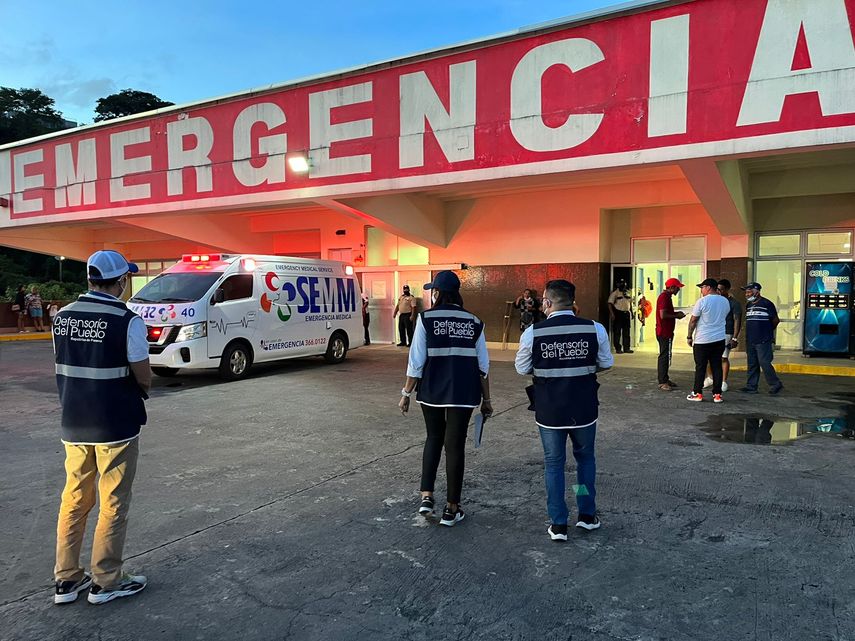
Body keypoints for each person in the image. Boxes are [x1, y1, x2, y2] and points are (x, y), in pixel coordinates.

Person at [52, 250, 151, 605]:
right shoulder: (127, 320)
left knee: (74, 499)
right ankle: (106, 580)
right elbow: (142, 373)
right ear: (122, 281)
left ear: (90, 278)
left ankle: (66, 579)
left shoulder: (62, 317)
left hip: (74, 423)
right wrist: (143, 389)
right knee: (113, 501)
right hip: (116, 426)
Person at [515, 279, 613, 541]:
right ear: (572, 301)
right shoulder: (595, 329)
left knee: (554, 465)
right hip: (584, 410)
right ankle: (586, 515)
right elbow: (606, 363)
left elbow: (522, 368)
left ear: (547, 302)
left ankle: (558, 523)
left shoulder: (533, 332)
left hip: (550, 413)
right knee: (584, 462)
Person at [398, 270, 492, 527]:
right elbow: (483, 365)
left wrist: (406, 393)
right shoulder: (474, 321)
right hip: (464, 393)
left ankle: (426, 497)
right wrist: (487, 400)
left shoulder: (426, 318)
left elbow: (416, 361)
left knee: (433, 438)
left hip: (432, 392)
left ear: (437, 293)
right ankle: (452, 508)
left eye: (433, 290)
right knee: (455, 446)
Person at [686, 278, 730, 403]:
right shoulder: (725, 301)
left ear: (709, 287)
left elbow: (693, 320)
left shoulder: (702, 301)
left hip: (702, 340)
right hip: (719, 339)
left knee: (700, 367)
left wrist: (689, 336)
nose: (701, 290)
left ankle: (697, 393)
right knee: (716, 366)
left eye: (702, 287)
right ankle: (717, 395)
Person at [740, 282, 783, 395]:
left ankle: (775, 383)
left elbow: (775, 320)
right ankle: (751, 386)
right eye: (746, 292)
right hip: (751, 340)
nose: (747, 294)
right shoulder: (749, 305)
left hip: (763, 339)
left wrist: (768, 331)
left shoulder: (767, 303)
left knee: (764, 362)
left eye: (749, 291)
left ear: (757, 291)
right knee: (752, 363)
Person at [702, 279, 742, 392]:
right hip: (713, 332)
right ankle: (710, 378)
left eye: (721, 289)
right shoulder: (714, 301)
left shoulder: (734, 303)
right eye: (717, 289)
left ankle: (723, 381)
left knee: (723, 357)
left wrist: (734, 337)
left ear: (727, 290)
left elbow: (737, 320)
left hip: (726, 332)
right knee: (709, 357)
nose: (719, 291)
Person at [655, 278, 686, 391]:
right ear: (672, 287)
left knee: (667, 355)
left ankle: (665, 378)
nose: (678, 290)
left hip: (666, 331)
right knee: (664, 356)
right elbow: (663, 315)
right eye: (677, 287)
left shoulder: (667, 297)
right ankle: (662, 381)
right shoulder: (664, 297)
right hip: (664, 331)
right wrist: (676, 315)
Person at [607, 280, 633, 353]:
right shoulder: (615, 293)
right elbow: (609, 303)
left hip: (626, 314)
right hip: (618, 313)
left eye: (624, 285)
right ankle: (618, 348)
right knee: (617, 332)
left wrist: (631, 313)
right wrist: (612, 314)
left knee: (627, 332)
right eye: (622, 285)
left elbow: (630, 303)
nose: (623, 286)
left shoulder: (628, 293)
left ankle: (626, 348)